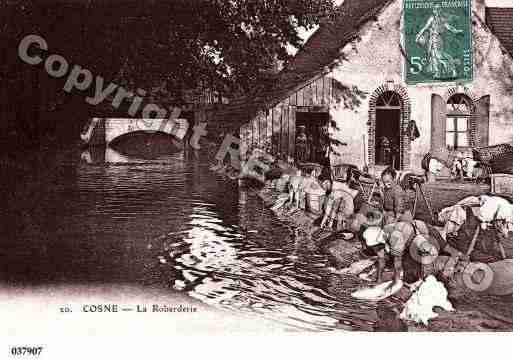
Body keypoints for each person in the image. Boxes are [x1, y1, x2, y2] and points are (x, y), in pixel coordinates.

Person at [362, 220, 464, 285]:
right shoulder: (382, 233)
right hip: (413, 236)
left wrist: (396, 282)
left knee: (443, 250)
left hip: (425, 231)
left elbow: (397, 263)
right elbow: (381, 258)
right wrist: (378, 279)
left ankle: (458, 260)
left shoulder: (395, 237)